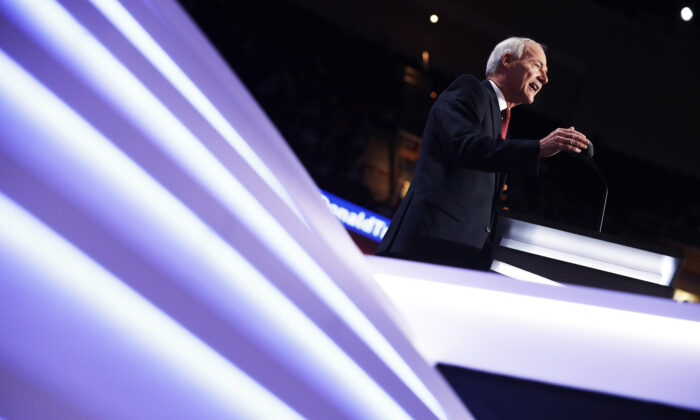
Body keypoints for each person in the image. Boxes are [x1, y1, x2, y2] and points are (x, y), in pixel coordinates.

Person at [376, 37, 589, 270]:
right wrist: (536, 148)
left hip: (459, 255)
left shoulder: (501, 122)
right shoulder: (470, 90)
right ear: (507, 60)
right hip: (426, 244)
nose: (545, 78)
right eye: (538, 65)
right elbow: (465, 146)